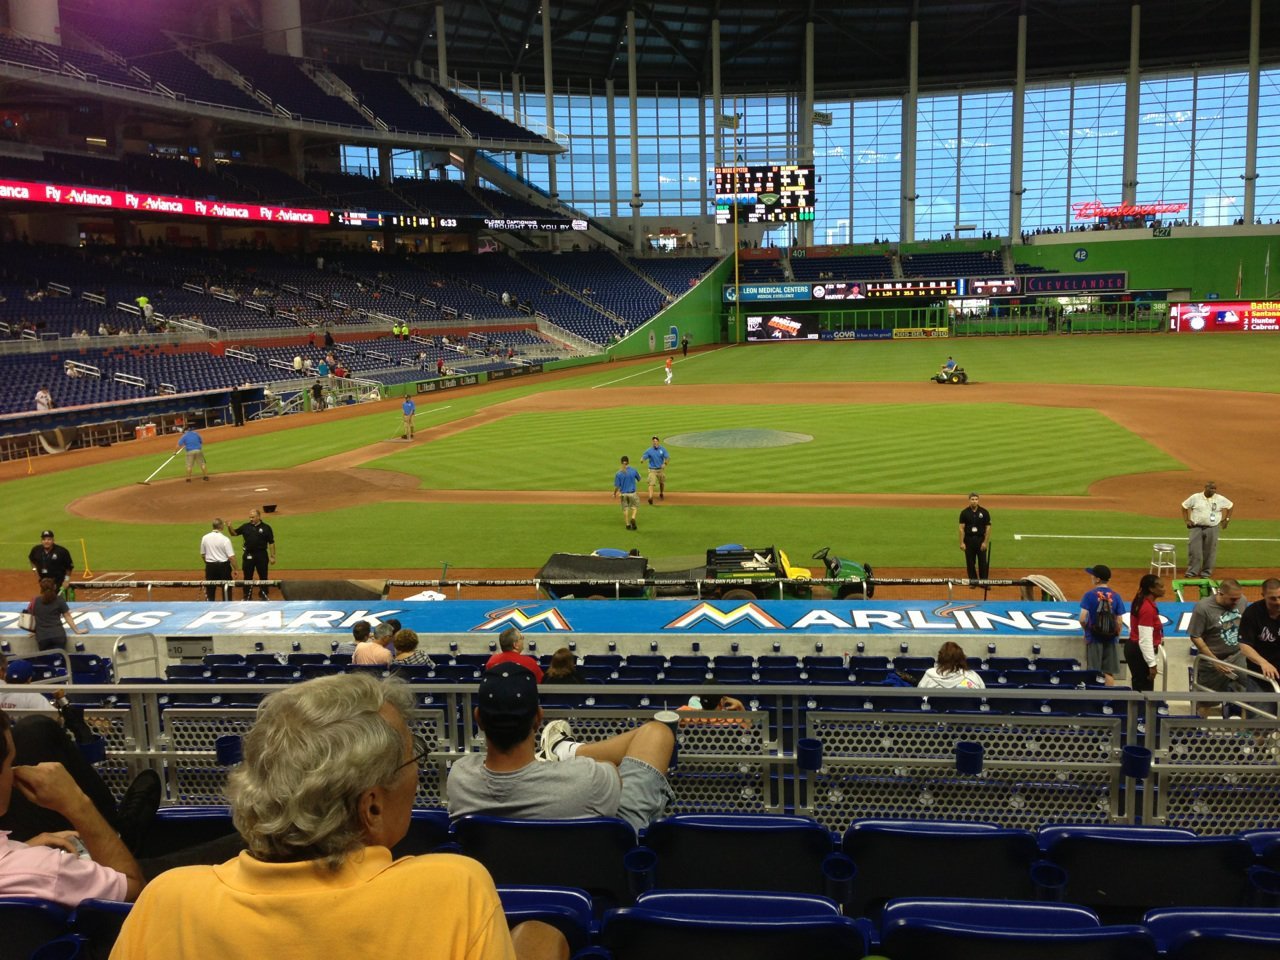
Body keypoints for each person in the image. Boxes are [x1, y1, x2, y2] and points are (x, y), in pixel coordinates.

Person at [112, 674, 567, 960]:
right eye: (414, 761)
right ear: (370, 806)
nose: (417, 774)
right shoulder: (454, 888)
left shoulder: (165, 901)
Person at [447, 665, 675, 836]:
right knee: (658, 732)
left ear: (479, 719)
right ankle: (567, 750)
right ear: (538, 718)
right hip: (595, 872)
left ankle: (563, 750)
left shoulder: (459, 777)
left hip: (497, 884)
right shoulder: (588, 777)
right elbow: (615, 776)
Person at [0, 709, 149, 906]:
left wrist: (23, 847)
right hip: (111, 924)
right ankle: (120, 832)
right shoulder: (48, 870)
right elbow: (134, 890)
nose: (14, 774)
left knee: (35, 729)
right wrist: (78, 804)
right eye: (10, 764)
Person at [1188, 578, 1247, 718]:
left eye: (1238, 598)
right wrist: (1215, 661)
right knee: (1205, 701)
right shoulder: (1203, 608)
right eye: (1232, 599)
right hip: (1212, 660)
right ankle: (1200, 733)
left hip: (1238, 655)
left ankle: (1247, 733)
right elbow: (1195, 636)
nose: (1236, 602)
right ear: (1220, 593)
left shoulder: (1242, 600)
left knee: (1248, 695)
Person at [1078, 564, 1126, 686]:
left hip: (1094, 638)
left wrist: (1086, 632)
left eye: (1093, 575)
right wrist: (1114, 634)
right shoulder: (1116, 596)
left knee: (1094, 673)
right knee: (1109, 673)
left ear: (1098, 579)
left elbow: (1082, 618)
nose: (1091, 577)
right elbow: (1119, 620)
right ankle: (1108, 700)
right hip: (1111, 639)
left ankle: (1094, 700)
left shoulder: (1089, 595)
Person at [1181, 481, 1233, 578]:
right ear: (1205, 487)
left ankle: (1206, 573)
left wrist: (1227, 519)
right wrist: (1187, 520)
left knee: (1210, 551)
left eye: (1214, 489)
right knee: (1194, 551)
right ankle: (1192, 572)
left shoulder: (1220, 498)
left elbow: (1230, 506)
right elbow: (1184, 506)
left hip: (1212, 528)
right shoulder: (1195, 497)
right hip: (1196, 528)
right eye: (1211, 488)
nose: (1213, 490)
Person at [20, 578, 88, 652]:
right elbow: (67, 616)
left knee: (47, 660)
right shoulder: (59, 600)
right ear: (55, 587)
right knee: (60, 660)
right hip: (58, 636)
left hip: (42, 637)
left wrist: (34, 632)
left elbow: (31, 617)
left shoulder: (35, 601)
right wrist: (77, 630)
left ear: (41, 588)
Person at [1126, 574, 1166, 693]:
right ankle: (1142, 712)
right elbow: (1145, 639)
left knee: (1139, 687)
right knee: (1144, 692)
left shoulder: (1140, 599)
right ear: (1151, 589)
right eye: (1161, 586)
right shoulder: (1147, 608)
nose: (1164, 589)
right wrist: (1152, 664)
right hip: (1140, 652)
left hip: (1134, 648)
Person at [1239, 578, 1280, 685]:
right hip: (1260, 675)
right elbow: (1245, 646)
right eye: (1273, 598)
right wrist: (1263, 663)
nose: (1278, 602)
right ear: (1263, 595)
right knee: (1261, 702)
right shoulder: (1252, 613)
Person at [229, 510, 276, 601]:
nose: (251, 519)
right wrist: (229, 526)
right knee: (247, 576)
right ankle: (247, 595)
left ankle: (264, 593)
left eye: (253, 517)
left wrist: (272, 556)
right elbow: (234, 533)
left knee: (263, 575)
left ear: (259, 516)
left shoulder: (266, 528)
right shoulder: (245, 526)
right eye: (250, 517)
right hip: (248, 554)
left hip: (261, 554)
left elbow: (271, 543)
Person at [917, 642, 985, 689]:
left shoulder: (929, 676)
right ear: (962, 658)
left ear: (940, 657)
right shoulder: (973, 677)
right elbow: (983, 700)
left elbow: (919, 699)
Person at [957, 492, 992, 585]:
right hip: (968, 540)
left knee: (983, 562)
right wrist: (961, 543)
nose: (974, 501)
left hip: (980, 540)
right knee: (970, 562)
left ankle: (984, 582)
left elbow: (988, 528)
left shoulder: (984, 512)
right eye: (972, 499)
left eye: (976, 499)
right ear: (969, 500)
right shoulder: (964, 513)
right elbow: (961, 528)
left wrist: (985, 542)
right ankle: (973, 581)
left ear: (978, 500)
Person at [198, 519, 236, 603]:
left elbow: (203, 555)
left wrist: (208, 563)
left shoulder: (205, 537)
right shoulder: (225, 539)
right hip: (224, 567)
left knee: (210, 588)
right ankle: (227, 605)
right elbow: (231, 557)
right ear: (221, 526)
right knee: (226, 587)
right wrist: (236, 569)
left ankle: (209, 606)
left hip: (210, 567)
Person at [640, 435, 670, 506]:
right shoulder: (649, 450)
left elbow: (667, 457)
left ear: (658, 442)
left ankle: (661, 493)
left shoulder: (662, 449)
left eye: (656, 441)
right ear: (652, 442)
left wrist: (665, 463)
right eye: (654, 441)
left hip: (660, 470)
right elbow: (644, 456)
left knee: (662, 483)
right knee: (651, 484)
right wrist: (642, 459)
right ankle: (650, 497)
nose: (655, 442)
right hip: (652, 470)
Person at [614, 455, 641, 532]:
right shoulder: (633, 470)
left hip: (623, 494)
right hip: (632, 493)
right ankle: (633, 518)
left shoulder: (618, 473)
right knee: (635, 507)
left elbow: (617, 486)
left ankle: (627, 525)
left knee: (625, 509)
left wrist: (614, 493)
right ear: (628, 462)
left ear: (621, 462)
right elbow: (639, 478)